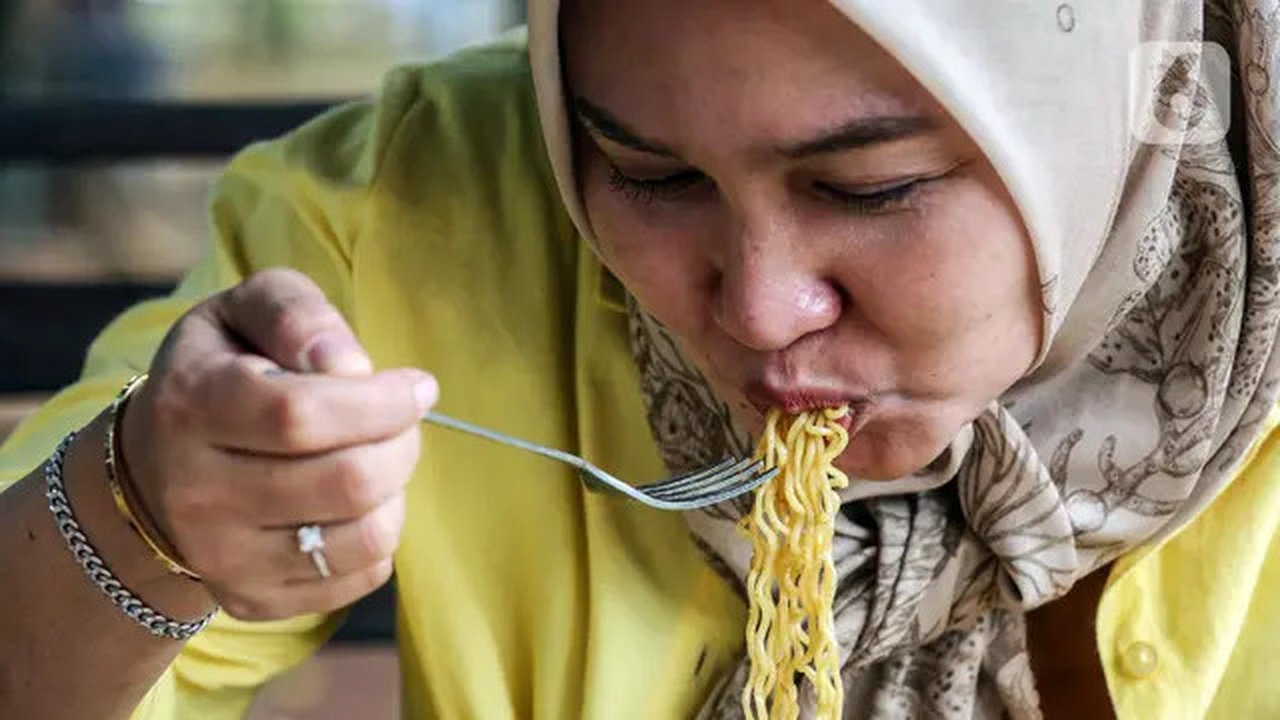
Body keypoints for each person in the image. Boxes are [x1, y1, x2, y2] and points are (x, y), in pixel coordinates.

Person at [2, 1, 1279, 717]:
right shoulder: (410, 209)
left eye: (868, 187)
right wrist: (137, 516)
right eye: (649, 176)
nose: (762, 309)